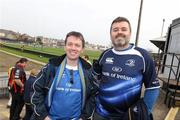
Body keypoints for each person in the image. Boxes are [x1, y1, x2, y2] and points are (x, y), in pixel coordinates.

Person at [91, 17, 160, 120]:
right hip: (100, 114)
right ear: (111, 34)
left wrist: (143, 112)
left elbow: (153, 88)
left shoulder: (143, 56)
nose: (119, 32)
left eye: (124, 29)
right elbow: (95, 78)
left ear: (130, 33)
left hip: (127, 116)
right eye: (115, 30)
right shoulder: (105, 54)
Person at [31, 31, 97, 120]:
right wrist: (44, 116)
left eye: (77, 45)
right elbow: (35, 90)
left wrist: (84, 117)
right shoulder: (51, 66)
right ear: (65, 47)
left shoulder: (88, 71)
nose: (73, 48)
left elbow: (93, 96)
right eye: (70, 44)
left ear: (82, 49)